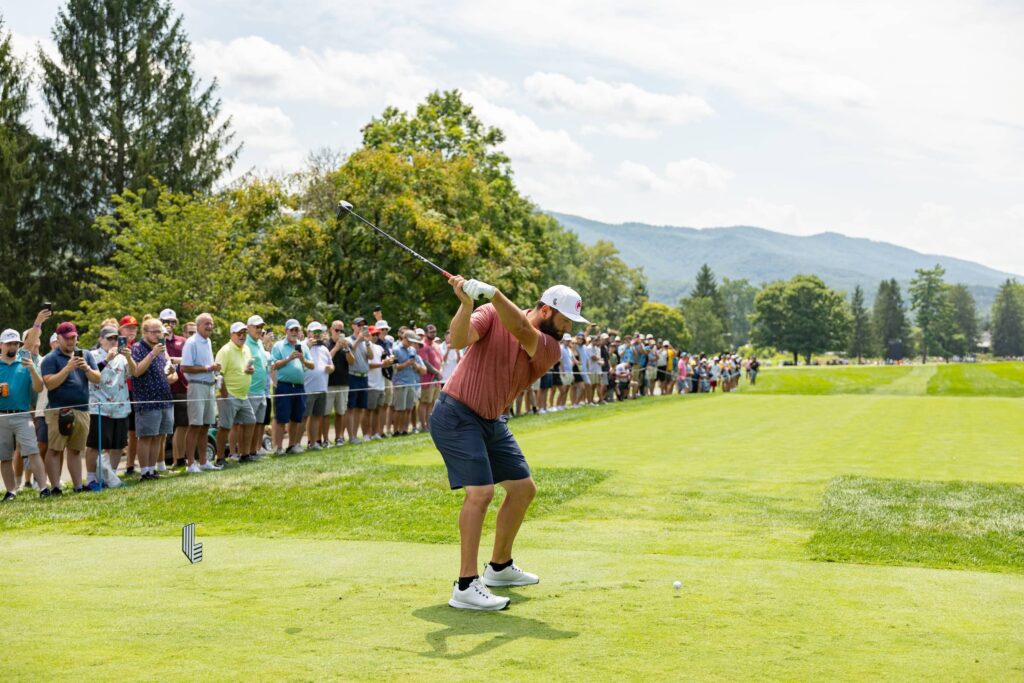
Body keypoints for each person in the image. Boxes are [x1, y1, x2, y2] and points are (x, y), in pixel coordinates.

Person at [430, 276, 587, 610]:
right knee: (481, 493)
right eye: (565, 320)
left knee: (522, 489)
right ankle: (466, 584)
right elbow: (458, 340)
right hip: (456, 414)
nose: (568, 329)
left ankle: (499, 568)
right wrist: (467, 303)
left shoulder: (549, 346)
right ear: (546, 309)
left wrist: (495, 293)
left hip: (491, 420)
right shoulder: (489, 312)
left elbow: (520, 330)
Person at [41, 322, 101, 494]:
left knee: (76, 450)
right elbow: (50, 384)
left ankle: (78, 486)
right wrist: (67, 369)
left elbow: (97, 378)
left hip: (82, 409)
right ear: (58, 338)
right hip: (59, 410)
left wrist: (87, 368)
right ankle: (55, 487)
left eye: (74, 337)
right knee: (55, 449)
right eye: (67, 338)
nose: (71, 341)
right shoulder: (50, 359)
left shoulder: (86, 355)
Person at [84, 325, 135, 490]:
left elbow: (134, 373)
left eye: (115, 338)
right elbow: (91, 377)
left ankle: (111, 476)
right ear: (100, 339)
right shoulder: (91, 355)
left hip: (120, 405)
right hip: (99, 406)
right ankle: (91, 478)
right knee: (95, 445)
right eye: (109, 338)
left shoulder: (122, 356)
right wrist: (107, 359)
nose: (113, 341)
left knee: (118, 445)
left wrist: (129, 357)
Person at [0, 329, 47, 500]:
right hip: (1, 416)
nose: (12, 346)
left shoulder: (25, 363)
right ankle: (11, 491)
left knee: (33, 451)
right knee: (4, 457)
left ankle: (43, 488)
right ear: (1, 345)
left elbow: (39, 387)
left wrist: (33, 370)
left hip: (22, 415)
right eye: (9, 343)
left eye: (15, 343)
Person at [131, 317, 177, 481]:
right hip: (147, 400)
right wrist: (152, 354)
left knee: (158, 436)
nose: (159, 335)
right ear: (144, 333)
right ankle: (144, 472)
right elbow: (136, 371)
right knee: (146, 437)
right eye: (155, 332)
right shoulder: (137, 348)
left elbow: (170, 376)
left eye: (160, 332)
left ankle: (152, 470)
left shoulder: (162, 349)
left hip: (164, 399)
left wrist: (170, 370)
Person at [180, 313, 221, 471]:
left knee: (205, 426)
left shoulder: (208, 341)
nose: (209, 326)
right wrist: (208, 368)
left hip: (209, 385)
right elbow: (184, 367)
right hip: (196, 385)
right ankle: (191, 463)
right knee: (195, 425)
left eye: (211, 323)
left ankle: (203, 461)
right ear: (198, 326)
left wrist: (214, 370)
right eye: (206, 324)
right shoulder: (191, 343)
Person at [215, 322, 257, 463]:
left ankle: (244, 455)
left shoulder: (246, 349)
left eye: (244, 333)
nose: (242, 336)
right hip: (228, 395)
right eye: (239, 333)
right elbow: (218, 373)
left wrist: (250, 371)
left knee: (250, 421)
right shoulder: (225, 350)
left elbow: (245, 368)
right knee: (225, 427)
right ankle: (220, 458)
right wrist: (224, 393)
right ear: (231, 335)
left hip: (243, 395)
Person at [270, 319, 313, 454]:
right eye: (292, 330)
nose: (294, 332)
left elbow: (312, 365)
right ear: (286, 331)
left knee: (296, 417)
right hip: (284, 386)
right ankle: (278, 447)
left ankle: (292, 445)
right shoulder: (278, 346)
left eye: (296, 330)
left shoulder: (303, 346)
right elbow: (273, 365)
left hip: (299, 387)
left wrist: (303, 359)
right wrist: (288, 358)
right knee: (281, 418)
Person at [160, 308, 190, 468]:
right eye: (166, 322)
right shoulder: (157, 341)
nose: (170, 325)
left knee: (182, 425)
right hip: (163, 389)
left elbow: (187, 360)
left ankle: (179, 459)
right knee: (163, 430)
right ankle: (160, 463)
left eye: (172, 322)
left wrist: (175, 361)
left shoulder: (182, 341)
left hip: (181, 387)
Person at [302, 321, 334, 450]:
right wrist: (307, 346)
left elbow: (331, 365)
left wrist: (330, 368)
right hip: (307, 388)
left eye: (319, 332)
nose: (316, 335)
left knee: (316, 416)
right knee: (304, 417)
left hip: (322, 387)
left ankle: (313, 442)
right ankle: (296, 444)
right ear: (308, 333)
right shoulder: (303, 345)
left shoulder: (324, 348)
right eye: (314, 332)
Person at [244, 315, 271, 460]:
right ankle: (246, 452)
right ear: (248, 328)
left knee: (260, 423)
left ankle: (255, 451)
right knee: (250, 424)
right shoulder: (245, 343)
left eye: (261, 327)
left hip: (262, 390)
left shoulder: (259, 343)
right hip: (250, 389)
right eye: (256, 327)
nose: (259, 330)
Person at [391, 330, 425, 436]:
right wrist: (406, 364)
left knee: (408, 408)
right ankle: (396, 430)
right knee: (399, 409)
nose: (411, 343)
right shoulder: (396, 350)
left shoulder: (412, 351)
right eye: (409, 341)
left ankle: (405, 429)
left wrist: (414, 365)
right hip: (400, 382)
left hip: (411, 382)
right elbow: (395, 368)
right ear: (404, 338)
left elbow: (419, 368)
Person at [345, 317, 373, 444]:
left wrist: (367, 342)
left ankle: (355, 436)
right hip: (352, 376)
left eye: (363, 325)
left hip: (364, 376)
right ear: (353, 326)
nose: (361, 327)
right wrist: (358, 339)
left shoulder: (366, 341)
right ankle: (351, 436)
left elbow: (371, 356)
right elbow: (350, 353)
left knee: (360, 408)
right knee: (351, 408)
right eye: (359, 325)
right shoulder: (348, 340)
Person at [327, 320, 354, 445]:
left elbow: (352, 361)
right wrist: (337, 347)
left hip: (343, 382)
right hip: (328, 383)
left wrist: (347, 349)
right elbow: (326, 359)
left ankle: (339, 437)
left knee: (341, 412)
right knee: (325, 414)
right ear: (331, 330)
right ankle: (324, 439)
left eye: (341, 330)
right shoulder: (326, 344)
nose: (339, 333)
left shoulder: (346, 345)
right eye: (336, 330)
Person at [417, 324, 443, 430]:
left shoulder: (436, 345)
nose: (433, 334)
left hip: (437, 380)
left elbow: (440, 361)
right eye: (431, 332)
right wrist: (437, 372)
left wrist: (439, 371)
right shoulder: (423, 345)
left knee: (432, 403)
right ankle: (423, 425)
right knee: (424, 402)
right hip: (427, 379)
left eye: (434, 332)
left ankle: (430, 424)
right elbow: (425, 362)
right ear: (426, 333)